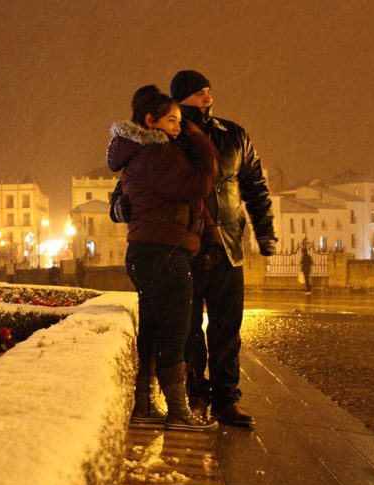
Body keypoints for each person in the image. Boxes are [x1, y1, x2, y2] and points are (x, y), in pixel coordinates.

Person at [106, 85, 220, 432]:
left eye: (180, 120)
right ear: (150, 121)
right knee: (176, 331)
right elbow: (197, 185)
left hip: (148, 250)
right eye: (172, 120)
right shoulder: (157, 153)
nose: (177, 126)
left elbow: (121, 203)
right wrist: (198, 137)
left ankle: (144, 405)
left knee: (155, 330)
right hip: (165, 250)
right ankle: (179, 413)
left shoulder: (138, 152)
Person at [170, 70, 277, 427]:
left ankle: (227, 399)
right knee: (188, 329)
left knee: (227, 327)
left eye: (209, 90)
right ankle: (196, 396)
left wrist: (265, 233)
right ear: (182, 97)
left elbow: (255, 187)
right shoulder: (170, 137)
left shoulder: (234, 135)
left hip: (228, 245)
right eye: (199, 91)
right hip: (185, 246)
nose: (207, 95)